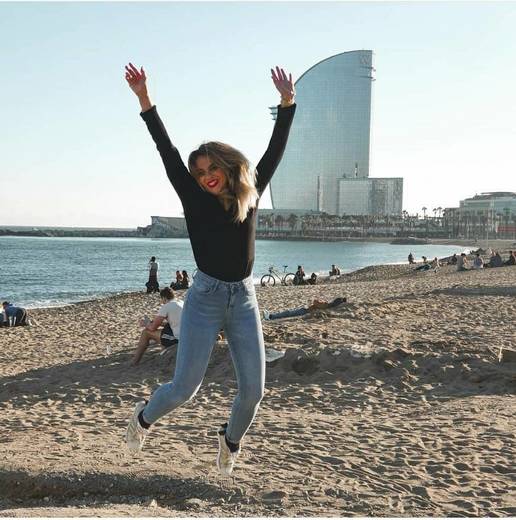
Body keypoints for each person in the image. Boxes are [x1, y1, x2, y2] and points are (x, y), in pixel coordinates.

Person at [124, 62, 296, 476]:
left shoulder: (251, 193)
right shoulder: (193, 197)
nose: (206, 178)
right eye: (199, 173)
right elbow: (165, 150)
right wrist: (145, 99)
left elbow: (275, 150)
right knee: (185, 388)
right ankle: (143, 416)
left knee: (253, 391)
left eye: (211, 169)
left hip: (243, 298)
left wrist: (287, 104)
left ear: (225, 166)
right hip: (204, 298)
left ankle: (229, 441)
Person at [132, 287, 183, 366]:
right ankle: (163, 354)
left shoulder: (167, 306)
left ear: (164, 298)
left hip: (178, 339)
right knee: (164, 330)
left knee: (146, 333)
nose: (161, 302)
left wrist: (145, 324)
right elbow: (173, 322)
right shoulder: (180, 302)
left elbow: (153, 328)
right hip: (187, 336)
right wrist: (151, 322)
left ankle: (134, 362)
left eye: (161, 299)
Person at [263, 297, 347, 321]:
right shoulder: (327, 305)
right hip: (305, 310)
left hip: (305, 311)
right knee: (289, 312)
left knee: (288, 312)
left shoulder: (326, 305)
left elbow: (315, 302)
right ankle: (271, 316)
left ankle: (270, 316)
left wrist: (320, 301)